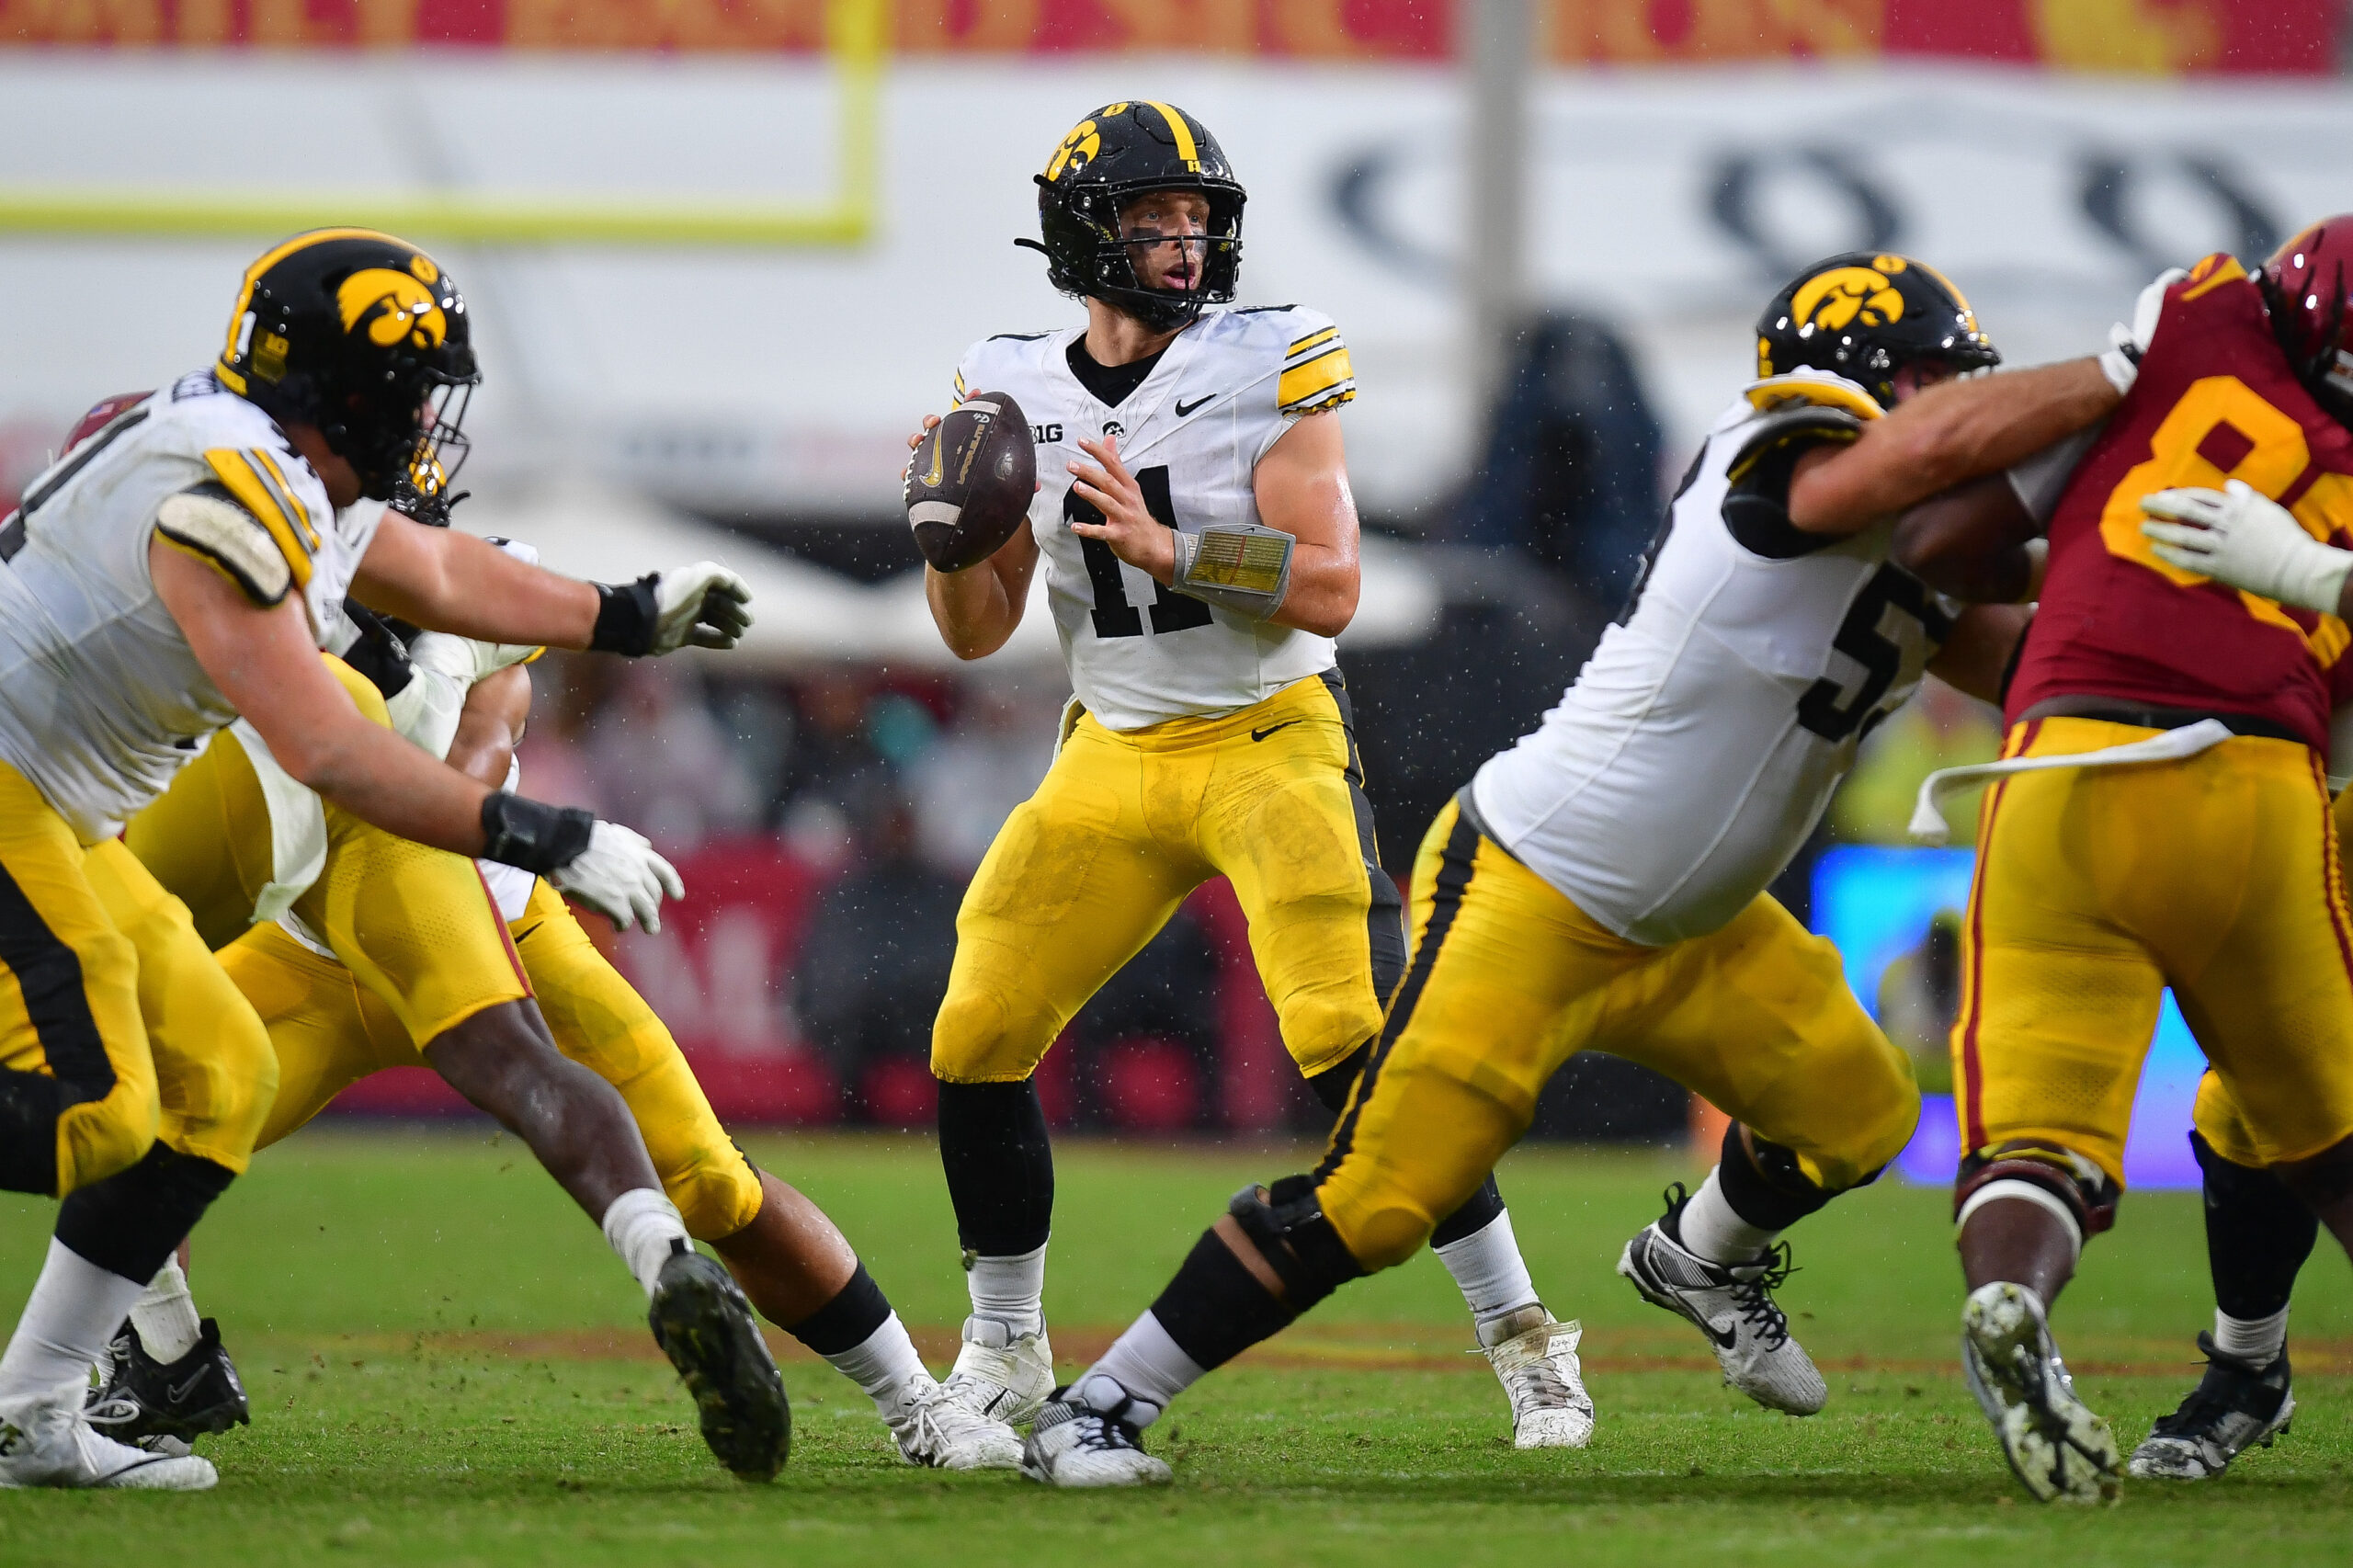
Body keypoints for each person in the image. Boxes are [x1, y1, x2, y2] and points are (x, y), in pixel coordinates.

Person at [1013, 252, 2126, 1487]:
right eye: (1938, 381)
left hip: (1700, 926)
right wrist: (2120, 371)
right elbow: (1915, 462)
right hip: (1535, 889)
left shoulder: (1908, 539)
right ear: (1869, 382)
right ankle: (1099, 1405)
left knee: (1858, 1113)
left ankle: (1696, 1257)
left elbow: (2039, 659)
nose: (1959, 408)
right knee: (1379, 1200)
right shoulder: (1785, 443)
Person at [0, 228, 782, 1491]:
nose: (420, 416)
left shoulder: (265, 462)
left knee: (219, 1081)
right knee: (99, 1108)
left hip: (63, 810)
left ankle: (35, 1411)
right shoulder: (223, 494)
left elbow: (431, 566)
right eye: (401, 389)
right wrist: (542, 830)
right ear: (334, 388)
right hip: (10, 793)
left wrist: (624, 614)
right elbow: (327, 748)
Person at [911, 100, 1586, 1449]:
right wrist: (949, 533)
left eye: (1196, 217)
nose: (1183, 241)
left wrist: (1174, 553)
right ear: (1080, 232)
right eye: (1151, 217)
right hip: (1111, 749)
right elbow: (980, 631)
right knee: (974, 1032)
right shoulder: (1007, 383)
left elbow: (1334, 589)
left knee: (1351, 1038)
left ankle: (1525, 1336)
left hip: (1266, 738)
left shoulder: (1271, 358)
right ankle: (1003, 1341)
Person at [100, 593, 1020, 1472]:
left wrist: (466, 736)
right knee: (148, 1127)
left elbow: (461, 767)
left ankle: (915, 1397)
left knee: (711, 1180)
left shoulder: (464, 620)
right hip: (312, 951)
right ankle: (143, 1368)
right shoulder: (261, 606)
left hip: (491, 932)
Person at [1888, 222, 2353, 1505]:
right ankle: (2245, 1368)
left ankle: (2009, 1299)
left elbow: (1939, 539)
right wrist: (2316, 587)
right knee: (2332, 1130)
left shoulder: (2192, 318)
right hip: (2259, 783)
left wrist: (2086, 568)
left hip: (2063, 768)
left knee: (2033, 1140)